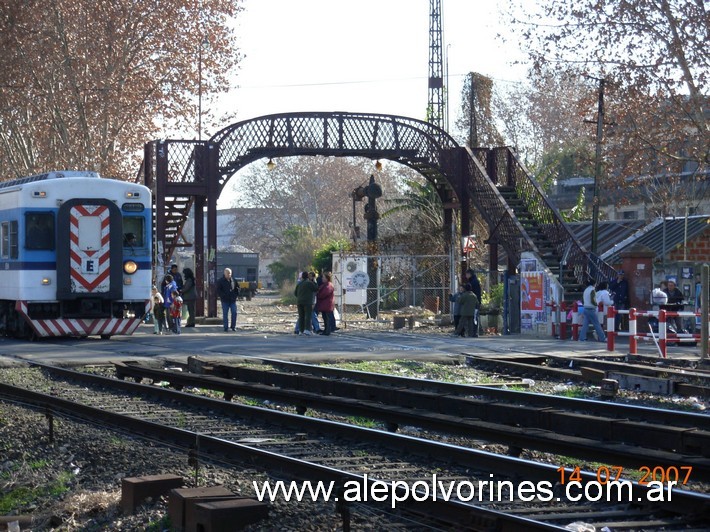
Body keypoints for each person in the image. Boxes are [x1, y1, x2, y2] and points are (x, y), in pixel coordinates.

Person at [294, 271, 318, 336]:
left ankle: (301, 330)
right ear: (308, 276)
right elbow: (316, 288)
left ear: (302, 277)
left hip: (299, 302)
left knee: (301, 316)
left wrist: (300, 297)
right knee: (308, 316)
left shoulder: (299, 284)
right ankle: (307, 330)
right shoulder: (310, 283)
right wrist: (315, 281)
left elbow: (295, 293)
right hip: (307, 302)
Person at [216, 268, 239, 332]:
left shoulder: (233, 280)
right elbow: (218, 290)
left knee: (234, 313)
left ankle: (233, 326)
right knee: (225, 314)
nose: (229, 275)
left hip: (232, 300)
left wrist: (235, 295)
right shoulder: (220, 281)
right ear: (224, 273)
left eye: (230, 273)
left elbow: (237, 288)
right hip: (225, 301)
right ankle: (225, 327)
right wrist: (223, 296)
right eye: (228, 273)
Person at [464, 269, 482, 337]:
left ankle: (474, 332)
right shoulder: (473, 281)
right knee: (473, 317)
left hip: (474, 302)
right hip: (475, 302)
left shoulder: (473, 282)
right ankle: (473, 332)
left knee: (474, 317)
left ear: (469, 274)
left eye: (466, 274)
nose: (466, 276)